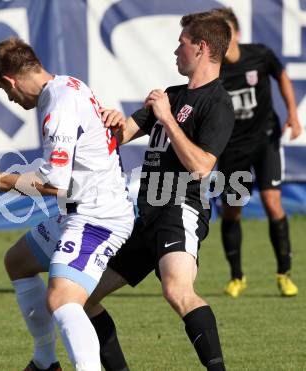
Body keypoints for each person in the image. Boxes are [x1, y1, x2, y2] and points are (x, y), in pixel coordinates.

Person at [0, 37, 134, 371]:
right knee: (18, 261)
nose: (11, 99)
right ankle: (45, 361)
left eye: (6, 92)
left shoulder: (57, 104)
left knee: (62, 299)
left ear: (9, 80)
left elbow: (56, 183)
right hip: (82, 211)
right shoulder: (66, 85)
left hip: (98, 217)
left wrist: (0, 180)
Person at [85, 11, 234, 371]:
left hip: (180, 208)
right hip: (146, 219)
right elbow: (119, 137)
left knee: (177, 290)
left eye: (181, 43)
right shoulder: (169, 95)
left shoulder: (217, 103)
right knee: (80, 297)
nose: (175, 51)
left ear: (200, 48)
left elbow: (201, 167)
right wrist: (112, 120)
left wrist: (167, 118)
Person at [210, 7, 302, 298]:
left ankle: (284, 274)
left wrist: (292, 113)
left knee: (274, 203)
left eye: (225, 33)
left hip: (266, 141)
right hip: (232, 150)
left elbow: (282, 74)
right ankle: (237, 276)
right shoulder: (213, 70)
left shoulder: (259, 55)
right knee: (232, 210)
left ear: (236, 34)